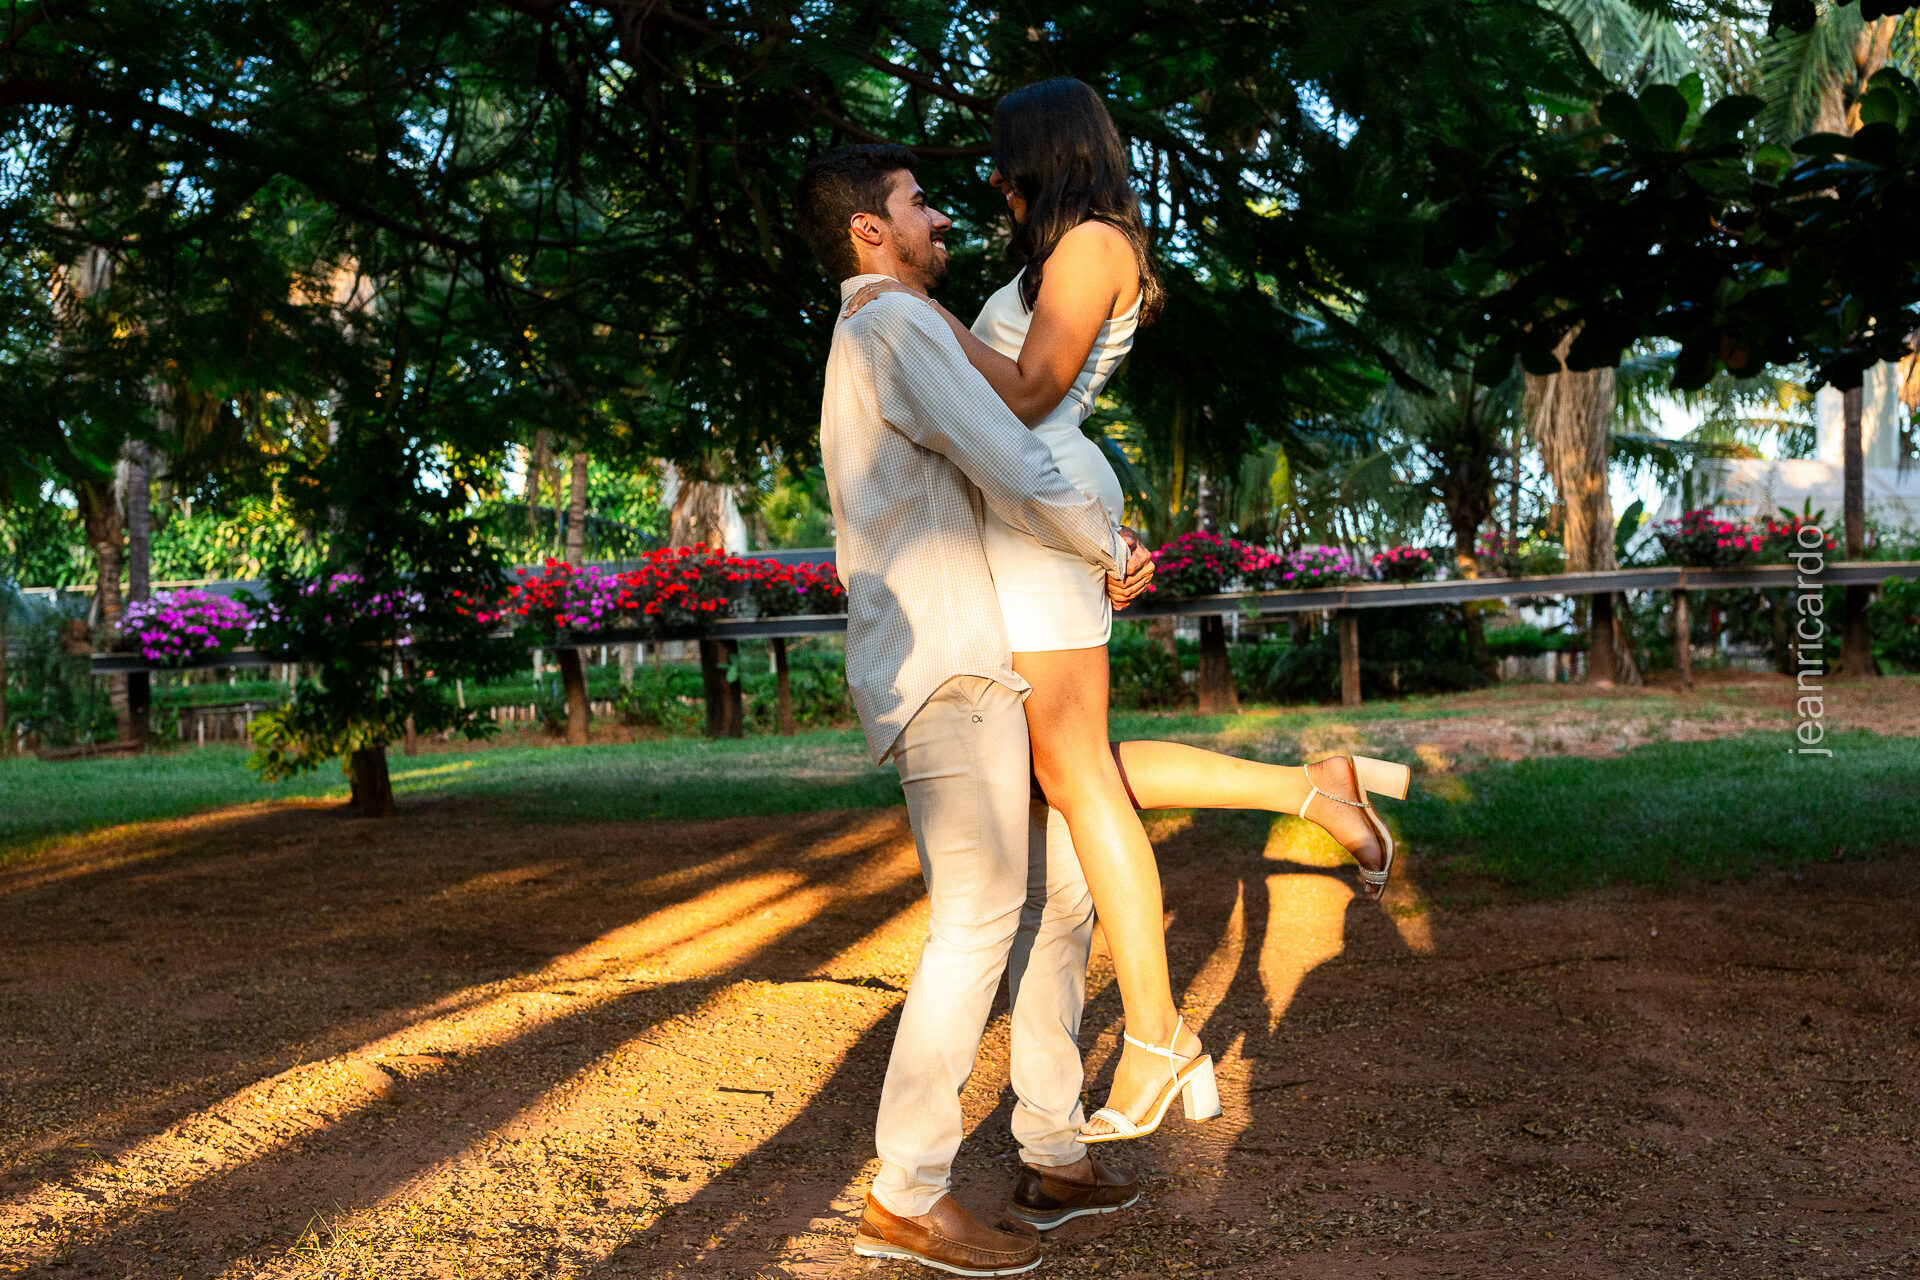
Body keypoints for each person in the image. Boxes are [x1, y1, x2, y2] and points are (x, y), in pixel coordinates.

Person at [840, 78, 1410, 1146]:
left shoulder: (1094, 243)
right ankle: (1313, 791)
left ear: (1048, 153)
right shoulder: (1063, 253)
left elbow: (1026, 394)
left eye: (1007, 160)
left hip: (1039, 509)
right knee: (1068, 768)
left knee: (1072, 773)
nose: (995, 182)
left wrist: (912, 312)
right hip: (1032, 505)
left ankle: (1155, 1035)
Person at [796, 143, 1156, 1277]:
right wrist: (1108, 546)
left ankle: (1052, 1148)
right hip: (945, 659)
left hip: (972, 652)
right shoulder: (895, 325)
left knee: (1056, 898)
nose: (939, 216)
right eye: (917, 204)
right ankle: (904, 1192)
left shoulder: (888, 327)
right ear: (870, 229)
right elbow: (1006, 453)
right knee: (979, 916)